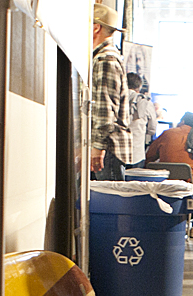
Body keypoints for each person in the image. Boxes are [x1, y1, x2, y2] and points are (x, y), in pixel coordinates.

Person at [145, 112, 193, 235]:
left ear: (182, 121)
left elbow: (149, 156)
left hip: (163, 182)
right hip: (188, 182)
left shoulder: (167, 134)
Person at [90, 3, 132, 182]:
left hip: (108, 149)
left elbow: (106, 110)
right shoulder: (104, 56)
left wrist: (97, 148)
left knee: (110, 205)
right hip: (108, 149)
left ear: (96, 27)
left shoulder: (106, 59)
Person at [126, 72, 158, 169]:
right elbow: (152, 129)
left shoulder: (115, 99)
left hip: (115, 153)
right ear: (139, 86)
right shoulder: (146, 103)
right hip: (137, 154)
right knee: (135, 184)